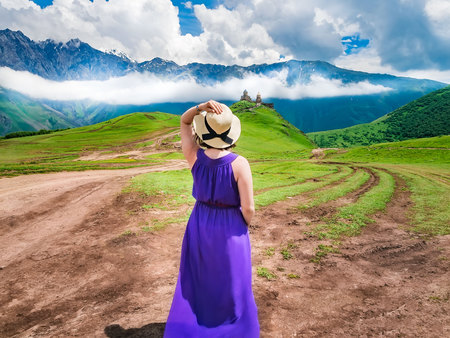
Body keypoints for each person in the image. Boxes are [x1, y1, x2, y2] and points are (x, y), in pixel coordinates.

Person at [164, 100, 260, 337]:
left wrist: (201, 107)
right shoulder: (240, 164)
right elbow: (248, 207)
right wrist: (241, 226)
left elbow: (184, 121)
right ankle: (231, 328)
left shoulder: (193, 156)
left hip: (200, 222)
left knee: (200, 278)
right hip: (231, 226)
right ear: (230, 134)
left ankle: (200, 325)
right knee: (232, 280)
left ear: (205, 130)